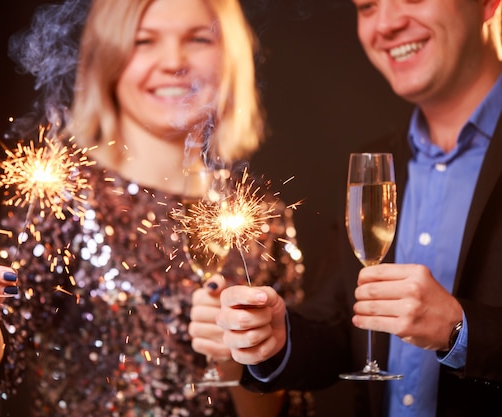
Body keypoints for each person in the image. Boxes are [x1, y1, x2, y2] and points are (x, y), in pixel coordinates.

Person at [0, 0, 309, 416]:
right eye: (143, 41)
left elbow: (280, 407)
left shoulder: (263, 218)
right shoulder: (63, 198)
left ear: (229, 56)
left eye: (198, 39)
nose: (173, 61)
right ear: (107, 59)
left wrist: (236, 362)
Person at [211, 0, 502, 416]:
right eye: (367, 7)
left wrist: (461, 330)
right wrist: (278, 338)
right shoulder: (376, 164)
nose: (386, 23)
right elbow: (338, 324)